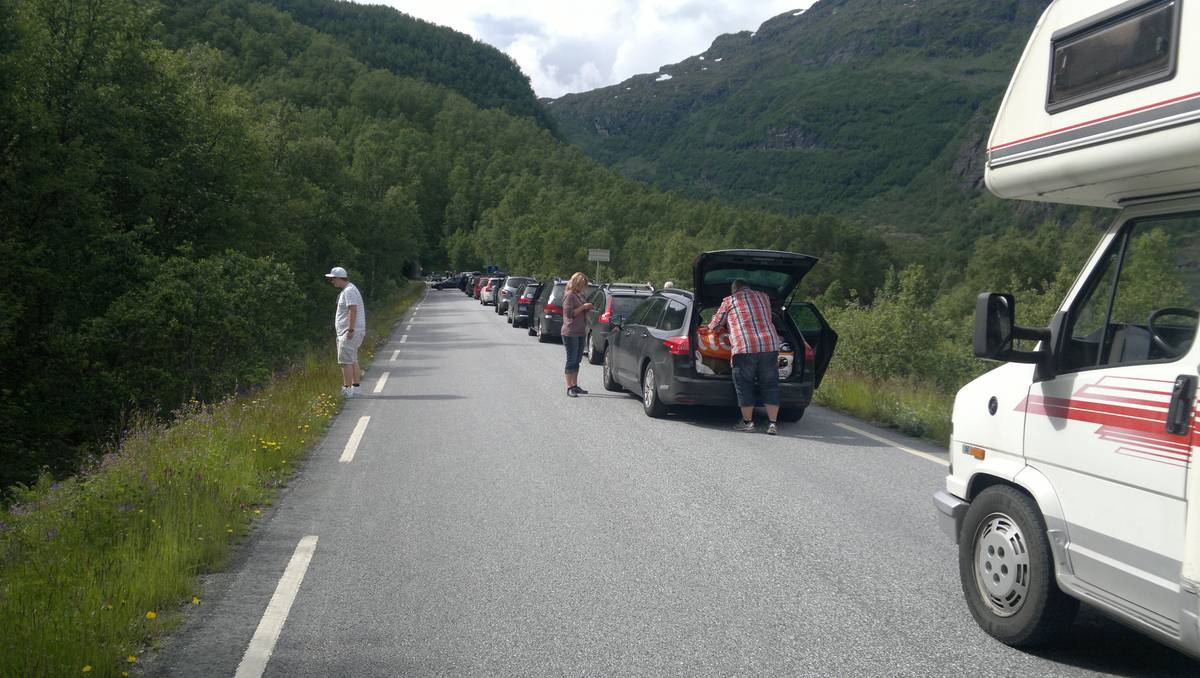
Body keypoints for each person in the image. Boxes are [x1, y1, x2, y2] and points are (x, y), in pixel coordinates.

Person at [707, 279, 781, 435]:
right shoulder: (764, 297)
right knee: (770, 384)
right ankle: (772, 424)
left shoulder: (729, 301)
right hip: (769, 344)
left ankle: (748, 423)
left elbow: (715, 325)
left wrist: (711, 325)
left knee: (744, 385)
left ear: (734, 290)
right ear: (748, 287)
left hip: (745, 345)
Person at [325, 266, 366, 398]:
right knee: (352, 359)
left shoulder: (349, 291)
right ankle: (356, 388)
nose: (332, 282)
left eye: (333, 279)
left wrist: (350, 329)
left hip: (349, 332)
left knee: (345, 361)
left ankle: (347, 389)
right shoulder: (349, 289)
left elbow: (352, 310)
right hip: (352, 331)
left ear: (338, 278)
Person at [561, 272, 594, 397]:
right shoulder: (569, 295)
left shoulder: (579, 295)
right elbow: (569, 314)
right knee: (571, 359)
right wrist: (583, 307)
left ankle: (575, 385)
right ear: (576, 283)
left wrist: (587, 307)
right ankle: (569, 387)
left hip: (580, 331)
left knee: (577, 360)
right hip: (570, 332)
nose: (584, 287)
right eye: (582, 285)